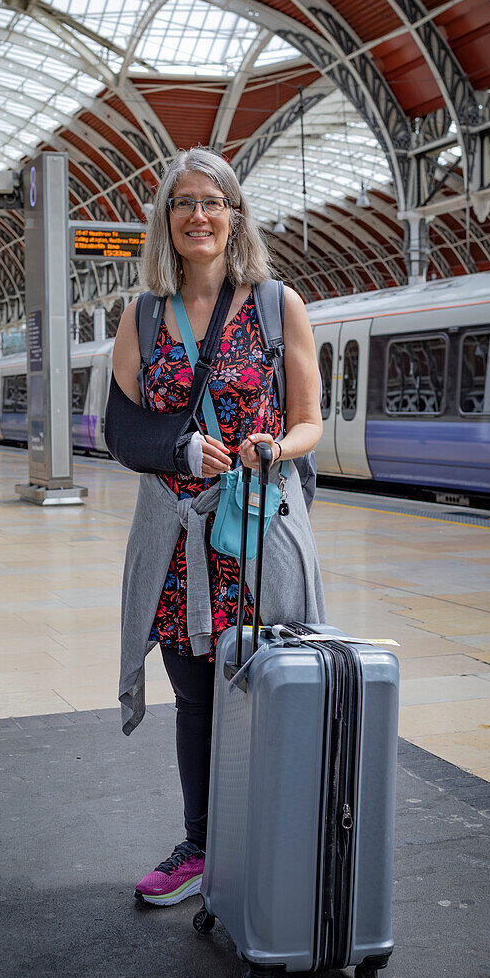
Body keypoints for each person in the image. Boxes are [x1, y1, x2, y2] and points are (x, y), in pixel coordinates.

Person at [112, 147, 326, 907]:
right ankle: (200, 846)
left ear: (234, 216)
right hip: (176, 540)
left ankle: (275, 838)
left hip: (261, 534)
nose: (197, 215)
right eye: (182, 203)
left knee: (272, 690)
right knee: (196, 698)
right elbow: (120, 432)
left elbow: (308, 422)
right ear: (165, 221)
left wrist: (274, 446)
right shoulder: (138, 316)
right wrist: (179, 447)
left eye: (212, 201)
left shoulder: (276, 304)